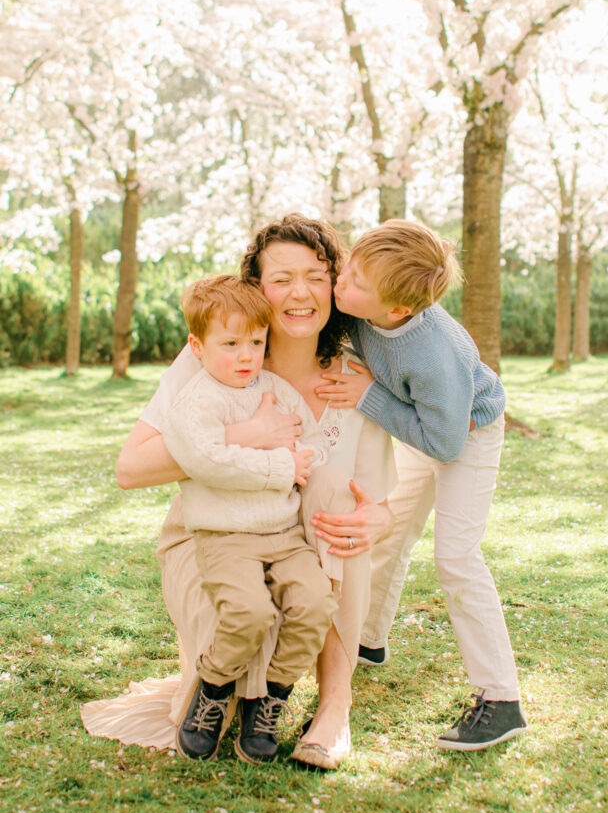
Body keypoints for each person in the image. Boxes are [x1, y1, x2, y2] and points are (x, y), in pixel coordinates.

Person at [81, 215, 396, 770]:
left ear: (335, 286)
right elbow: (129, 469)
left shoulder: (355, 375)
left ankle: (335, 704)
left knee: (335, 498)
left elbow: (377, 499)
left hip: (299, 544)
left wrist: (380, 520)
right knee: (218, 703)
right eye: (281, 279)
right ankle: (223, 690)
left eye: (315, 277)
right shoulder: (217, 351)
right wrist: (244, 434)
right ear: (257, 287)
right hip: (212, 534)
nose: (300, 293)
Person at [315, 218, 528, 751]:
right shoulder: (360, 301)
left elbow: (445, 443)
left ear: (397, 311)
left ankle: (502, 699)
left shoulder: (433, 353)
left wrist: (370, 395)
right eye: (350, 267)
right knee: (392, 527)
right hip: (424, 423)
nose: (342, 282)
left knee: (456, 556)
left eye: (356, 282)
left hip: (465, 433)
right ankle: (368, 639)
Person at [161, 274, 337, 764]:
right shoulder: (196, 402)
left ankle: (270, 699)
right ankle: (213, 688)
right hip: (226, 537)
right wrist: (281, 464)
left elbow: (313, 442)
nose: (246, 356)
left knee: (315, 604)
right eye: (231, 344)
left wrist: (301, 455)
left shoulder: (276, 390)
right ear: (197, 346)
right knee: (250, 613)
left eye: (256, 343)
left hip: (284, 534)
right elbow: (207, 461)